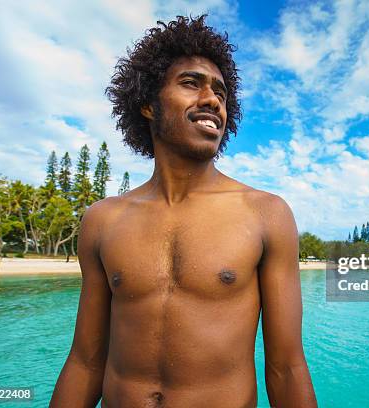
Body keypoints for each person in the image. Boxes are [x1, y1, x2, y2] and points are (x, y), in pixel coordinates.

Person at [50, 15, 317, 408]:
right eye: (191, 83)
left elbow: (286, 368)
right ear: (147, 105)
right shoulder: (103, 220)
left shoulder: (265, 214)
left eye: (221, 94)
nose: (212, 100)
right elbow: (86, 362)